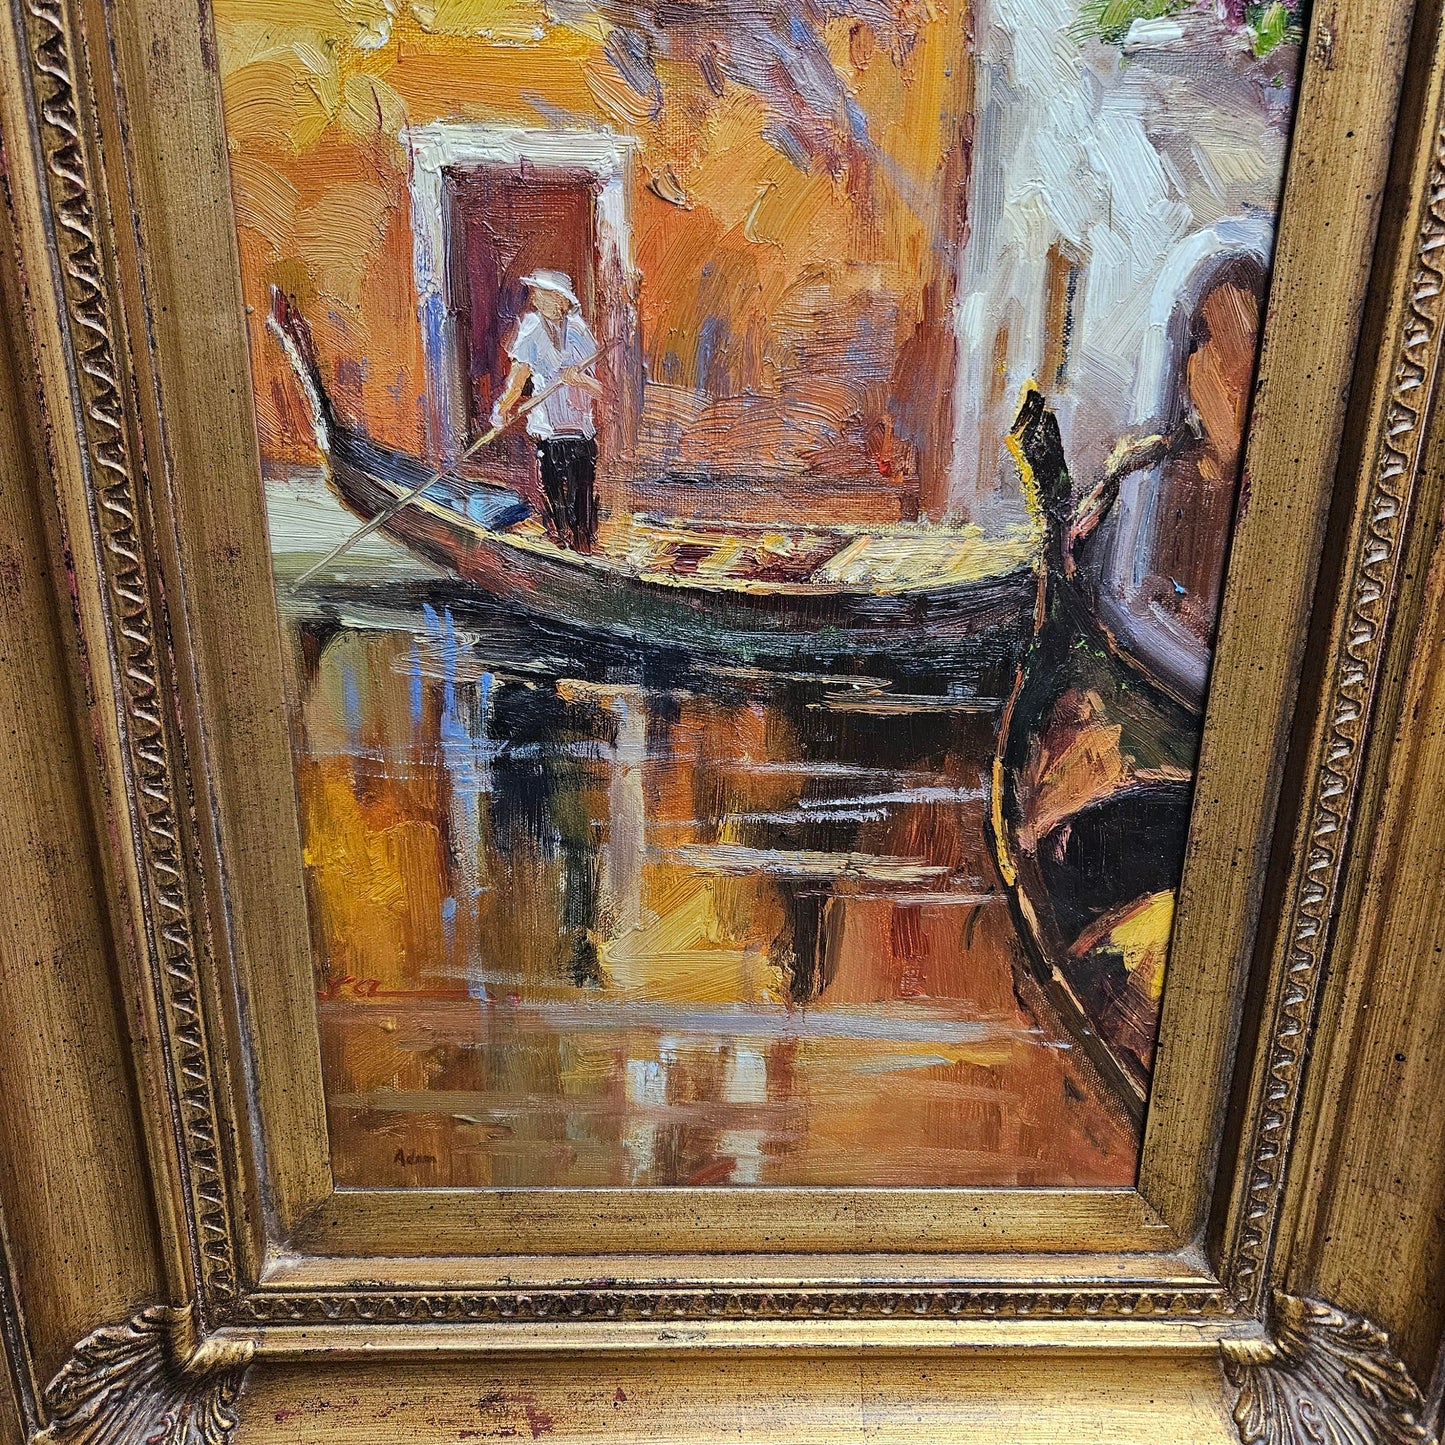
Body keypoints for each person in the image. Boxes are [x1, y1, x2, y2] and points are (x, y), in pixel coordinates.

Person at [492, 269, 603, 552]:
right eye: (537, 294)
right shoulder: (531, 329)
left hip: (580, 432)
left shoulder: (579, 330)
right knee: (555, 501)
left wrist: (580, 380)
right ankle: (561, 550)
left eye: (546, 295)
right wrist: (502, 409)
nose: (538, 300)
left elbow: (603, 390)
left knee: (582, 501)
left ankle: (584, 549)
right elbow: (518, 378)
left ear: (563, 301)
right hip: (548, 432)